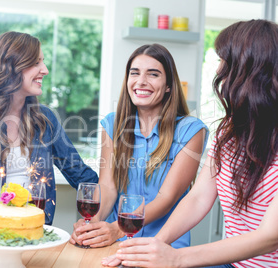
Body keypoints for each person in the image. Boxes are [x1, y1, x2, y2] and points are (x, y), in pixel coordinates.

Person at [104, 19, 278, 268]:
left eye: (224, 61)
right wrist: (156, 246)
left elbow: (271, 237)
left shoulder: (191, 129)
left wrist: (176, 258)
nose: (218, 71)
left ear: (252, 68)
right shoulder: (229, 132)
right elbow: (197, 198)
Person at [70, 43, 209, 248]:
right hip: (114, 241)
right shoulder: (112, 124)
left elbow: (167, 198)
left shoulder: (191, 130)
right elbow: (108, 186)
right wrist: (93, 225)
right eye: (134, 73)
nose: (141, 82)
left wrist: (119, 227)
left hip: (164, 243)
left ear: (169, 85)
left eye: (153, 74)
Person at [0, 31, 99, 225]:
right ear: (11, 68)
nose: (45, 70)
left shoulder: (46, 120)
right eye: (36, 63)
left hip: (37, 232)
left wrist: (115, 195)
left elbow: (81, 175)